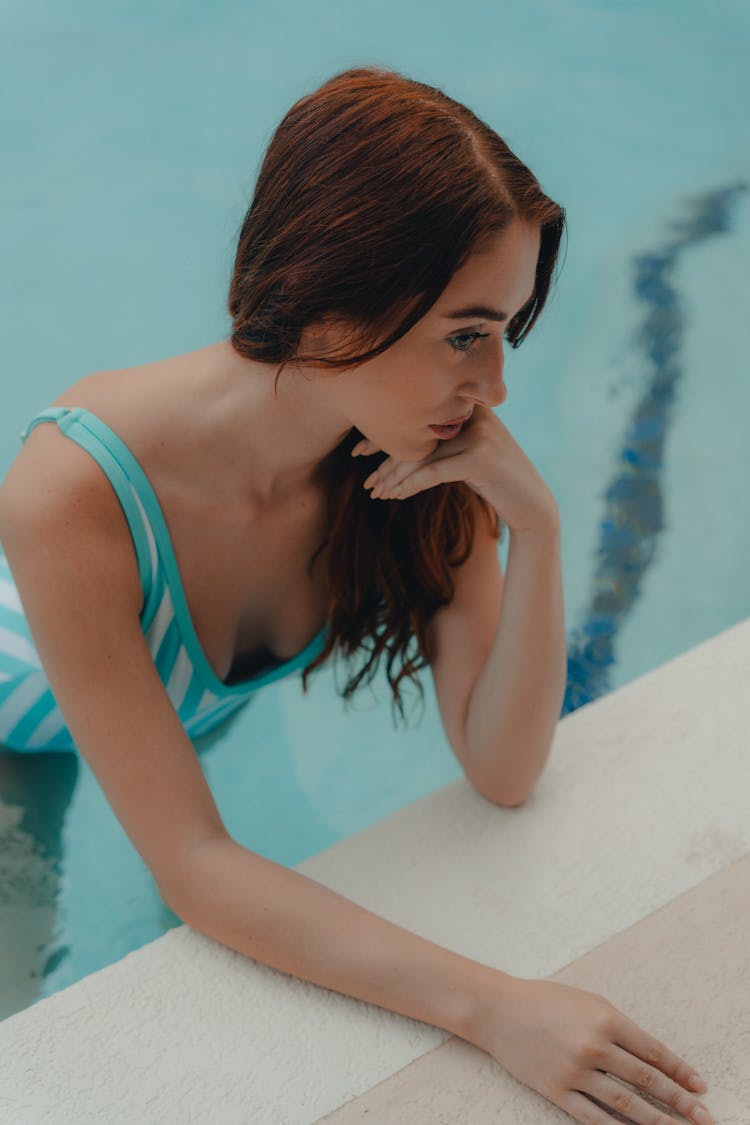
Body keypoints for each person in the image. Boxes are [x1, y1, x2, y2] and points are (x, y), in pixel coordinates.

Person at [0, 65, 713, 1123]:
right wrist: (493, 1007)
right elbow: (195, 864)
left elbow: (504, 768)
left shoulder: (403, 463)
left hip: (161, 711)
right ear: (338, 298)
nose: (496, 389)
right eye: (467, 334)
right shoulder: (73, 491)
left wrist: (539, 525)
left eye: (505, 335)